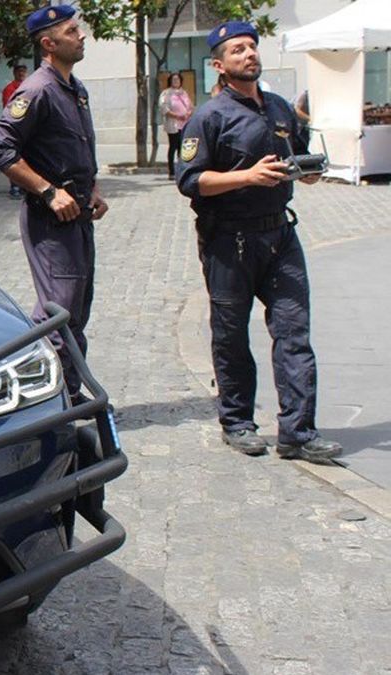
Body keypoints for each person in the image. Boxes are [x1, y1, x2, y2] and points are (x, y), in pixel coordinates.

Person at [176, 21, 342, 463]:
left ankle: (298, 433)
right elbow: (190, 180)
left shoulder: (280, 108)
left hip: (280, 236)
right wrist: (246, 177)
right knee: (231, 336)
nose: (249, 54)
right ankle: (237, 421)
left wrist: (309, 170)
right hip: (230, 241)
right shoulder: (208, 117)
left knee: (294, 334)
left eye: (252, 47)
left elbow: (300, 159)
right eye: (237, 50)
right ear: (219, 64)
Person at [0, 4, 108, 404]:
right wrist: (47, 190)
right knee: (58, 316)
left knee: (77, 311)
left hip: (79, 215)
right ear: (48, 43)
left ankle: (68, 396)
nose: (82, 35)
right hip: (50, 220)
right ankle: (49, 403)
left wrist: (91, 189)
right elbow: (1, 149)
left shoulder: (75, 88)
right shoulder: (36, 90)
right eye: (72, 31)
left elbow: (75, 150)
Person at [158, 73, 194, 180]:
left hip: (185, 123)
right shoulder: (166, 93)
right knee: (173, 147)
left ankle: (182, 170)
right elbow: (164, 109)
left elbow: (190, 106)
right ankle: (172, 171)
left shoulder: (184, 93)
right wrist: (177, 116)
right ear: (170, 81)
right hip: (173, 124)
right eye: (173, 79)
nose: (176, 81)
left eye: (177, 79)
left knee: (183, 148)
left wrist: (188, 113)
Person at [2, 65, 29, 199]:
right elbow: (11, 108)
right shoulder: (10, 89)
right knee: (15, 158)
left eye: (23, 72)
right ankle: (15, 187)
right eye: (19, 71)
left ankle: (25, 186)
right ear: (14, 73)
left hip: (29, 128)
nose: (21, 74)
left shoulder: (30, 87)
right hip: (15, 128)